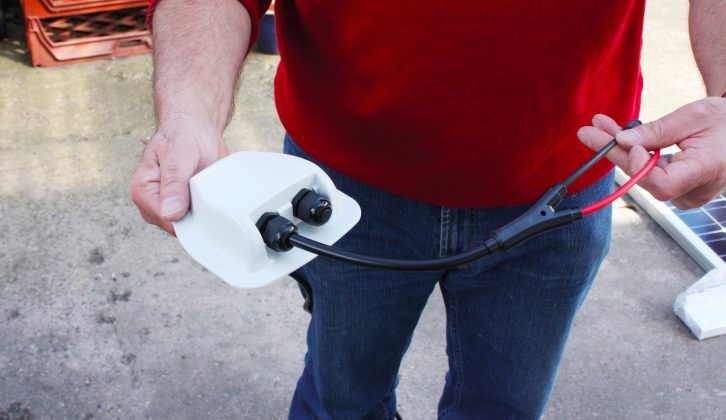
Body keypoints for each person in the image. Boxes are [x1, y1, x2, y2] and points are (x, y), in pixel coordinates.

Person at [131, 1, 726, 418]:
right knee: (342, 400)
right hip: (340, 193)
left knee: (504, 409)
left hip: (562, 182)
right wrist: (188, 113)